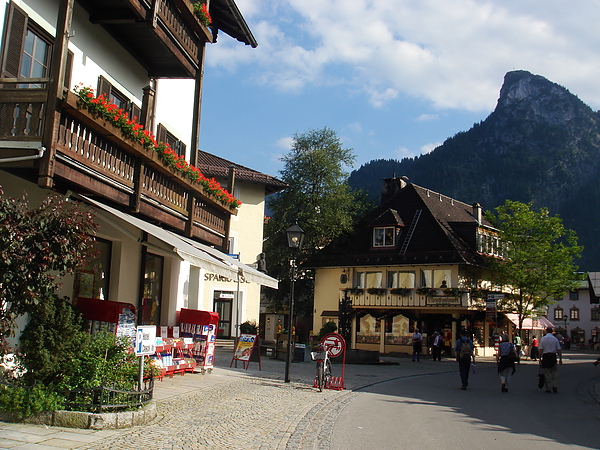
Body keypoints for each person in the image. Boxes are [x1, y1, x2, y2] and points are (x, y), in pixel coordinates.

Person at [539, 326, 563, 393]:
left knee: (547, 373)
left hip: (546, 356)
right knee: (554, 372)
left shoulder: (543, 339)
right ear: (552, 331)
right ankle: (554, 386)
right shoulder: (554, 339)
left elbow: (541, 349)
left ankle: (548, 388)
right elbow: (559, 349)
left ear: (546, 331)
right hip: (553, 356)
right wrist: (560, 359)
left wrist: (540, 358)